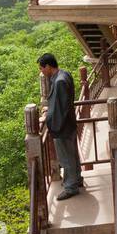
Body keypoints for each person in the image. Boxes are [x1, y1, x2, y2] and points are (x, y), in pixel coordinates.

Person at [38, 53, 82, 200]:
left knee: (66, 157)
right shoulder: (64, 75)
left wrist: (50, 122)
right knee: (72, 154)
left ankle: (71, 187)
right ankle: (76, 179)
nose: (41, 72)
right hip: (69, 123)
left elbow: (61, 108)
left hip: (63, 126)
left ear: (48, 66)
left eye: (42, 68)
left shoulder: (59, 82)